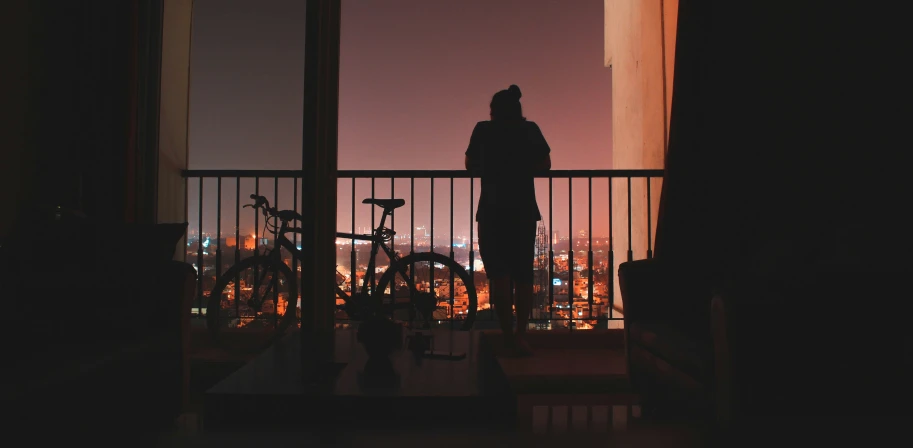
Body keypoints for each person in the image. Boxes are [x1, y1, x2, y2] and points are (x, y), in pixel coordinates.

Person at [464, 84, 551, 356]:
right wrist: (520, 167)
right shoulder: (530, 130)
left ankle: (505, 333)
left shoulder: (483, 130)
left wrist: (492, 168)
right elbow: (545, 164)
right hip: (523, 209)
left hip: (491, 210)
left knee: (499, 276)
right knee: (523, 275)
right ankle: (521, 335)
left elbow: (470, 165)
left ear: (494, 111)